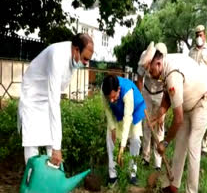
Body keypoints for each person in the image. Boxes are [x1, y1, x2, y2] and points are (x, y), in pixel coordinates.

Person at [139, 42, 207, 193]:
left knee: (193, 144)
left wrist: (165, 143)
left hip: (203, 102)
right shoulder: (165, 68)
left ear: (158, 62)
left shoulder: (172, 73)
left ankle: (191, 190)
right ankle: (172, 186)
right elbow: (167, 98)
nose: (149, 73)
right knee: (180, 143)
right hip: (189, 104)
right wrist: (158, 115)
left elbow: (178, 119)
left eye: (150, 69)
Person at [18, 33, 94, 165]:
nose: (86, 63)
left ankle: (50, 182)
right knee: (32, 141)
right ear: (76, 49)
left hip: (47, 95)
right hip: (32, 94)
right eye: (85, 59)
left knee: (51, 140)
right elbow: (54, 102)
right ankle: (32, 182)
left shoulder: (74, 59)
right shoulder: (58, 56)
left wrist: (56, 147)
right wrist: (57, 148)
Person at [101, 75, 146, 186]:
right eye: (109, 98)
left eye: (114, 97)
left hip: (133, 112)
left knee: (135, 140)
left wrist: (122, 146)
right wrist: (112, 128)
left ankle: (132, 173)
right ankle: (113, 176)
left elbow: (127, 119)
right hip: (117, 113)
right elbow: (107, 109)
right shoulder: (104, 90)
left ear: (119, 89)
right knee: (110, 139)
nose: (111, 100)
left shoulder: (127, 92)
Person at [137, 42, 167, 171]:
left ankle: (158, 163)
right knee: (147, 125)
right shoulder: (144, 57)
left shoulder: (165, 63)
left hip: (161, 95)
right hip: (147, 92)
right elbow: (139, 79)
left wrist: (162, 113)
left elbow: (168, 89)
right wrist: (140, 99)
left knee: (159, 127)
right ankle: (145, 157)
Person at [189, 25, 207, 156]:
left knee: (204, 119)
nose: (199, 37)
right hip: (193, 89)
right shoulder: (191, 52)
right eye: (197, 35)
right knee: (194, 117)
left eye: (201, 35)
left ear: (205, 35)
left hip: (206, 90)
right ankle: (194, 144)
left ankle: (204, 146)